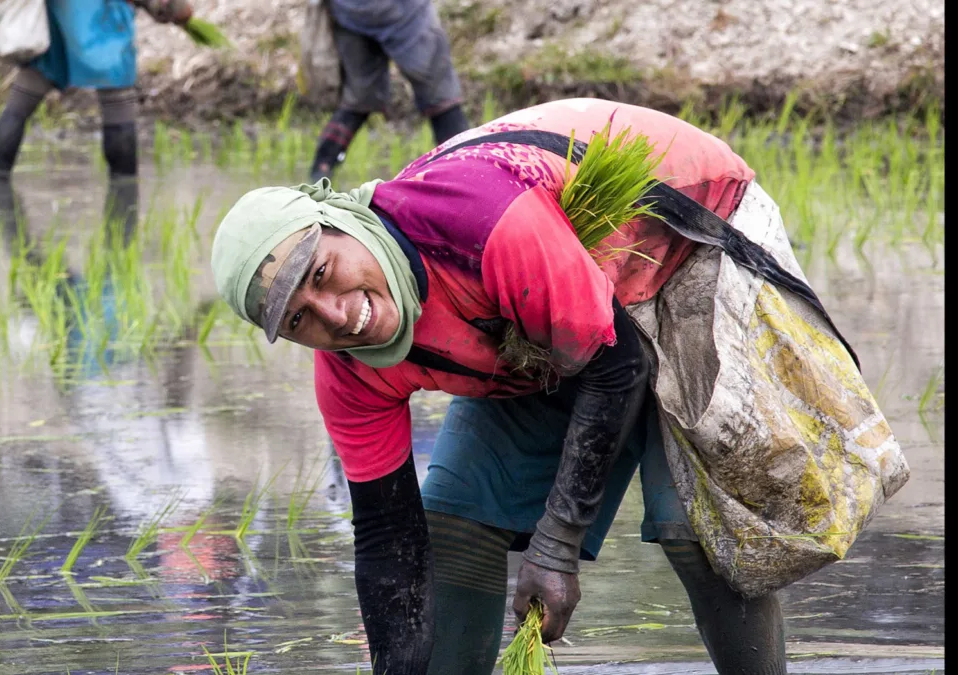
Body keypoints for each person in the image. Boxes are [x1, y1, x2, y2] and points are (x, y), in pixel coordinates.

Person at [211, 98, 791, 675]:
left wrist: (557, 545)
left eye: (321, 273)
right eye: (296, 319)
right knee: (454, 534)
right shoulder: (349, 368)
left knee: (695, 531)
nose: (333, 315)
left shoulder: (475, 222)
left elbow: (615, 370)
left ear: (343, 222)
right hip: (560, 320)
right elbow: (387, 536)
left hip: (689, 235)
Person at [0, 0, 195, 242]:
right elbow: (171, 7)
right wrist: (175, 11)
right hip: (103, 21)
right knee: (117, 99)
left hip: (58, 22)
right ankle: (123, 208)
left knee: (24, 96)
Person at [308, 0, 471, 182]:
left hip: (349, 11)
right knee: (441, 98)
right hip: (401, 11)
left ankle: (319, 174)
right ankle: (466, 175)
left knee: (360, 96)